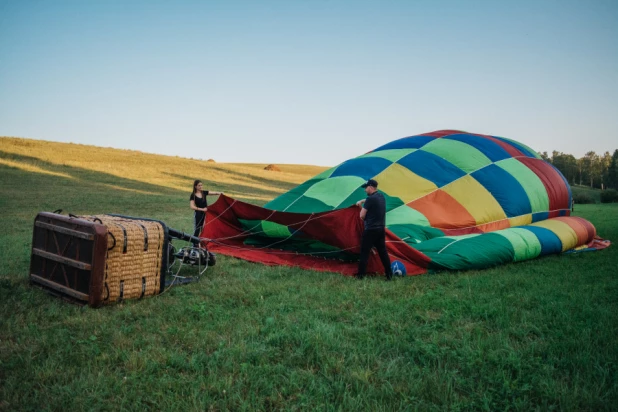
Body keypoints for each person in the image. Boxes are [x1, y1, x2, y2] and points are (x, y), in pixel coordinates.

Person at [355, 179, 393, 281]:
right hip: (380, 229)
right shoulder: (381, 197)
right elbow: (369, 200)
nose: (365, 190)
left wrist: (362, 208)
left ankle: (360, 276)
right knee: (383, 252)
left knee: (364, 252)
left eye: (366, 188)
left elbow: (362, 215)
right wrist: (363, 201)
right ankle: (389, 275)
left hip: (370, 230)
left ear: (371, 187)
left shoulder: (370, 200)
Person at [189, 180, 223, 246]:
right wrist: (202, 209)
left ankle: (203, 244)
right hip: (198, 214)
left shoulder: (204, 193)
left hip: (206, 214)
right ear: (195, 186)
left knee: (204, 229)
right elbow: (192, 206)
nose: (201, 186)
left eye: (201, 185)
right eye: (199, 185)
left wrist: (220, 193)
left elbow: (214, 193)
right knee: (197, 229)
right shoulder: (193, 195)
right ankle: (194, 245)